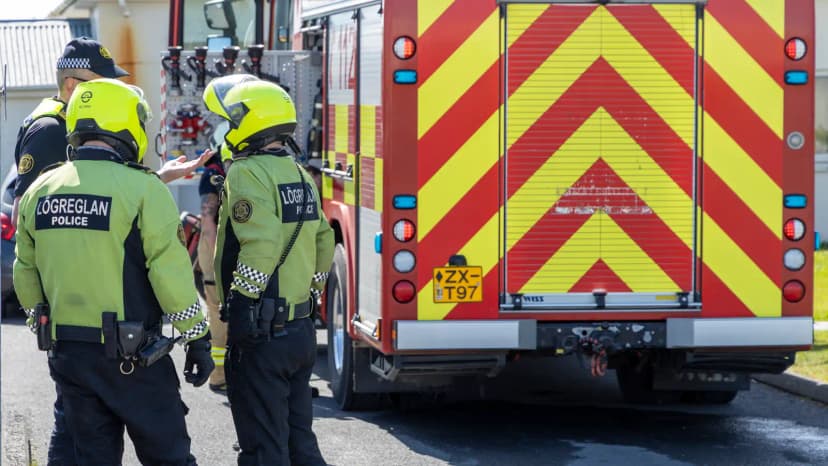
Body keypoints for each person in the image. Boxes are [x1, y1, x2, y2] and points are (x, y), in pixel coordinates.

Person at [10, 36, 209, 464]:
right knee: (169, 456)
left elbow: (26, 271)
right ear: (128, 124)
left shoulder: (40, 189)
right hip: (133, 358)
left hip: (70, 355)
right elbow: (170, 276)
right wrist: (198, 338)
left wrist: (42, 319)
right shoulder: (144, 189)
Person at [204, 74, 334, 465]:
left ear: (248, 122)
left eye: (230, 121)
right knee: (300, 444)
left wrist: (243, 306)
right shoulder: (298, 173)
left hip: (264, 335)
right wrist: (311, 293)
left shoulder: (246, 171)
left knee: (263, 449)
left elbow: (260, 245)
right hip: (299, 332)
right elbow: (324, 242)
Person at [197, 142, 233, 393]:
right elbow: (208, 221)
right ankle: (218, 375)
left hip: (224, 250)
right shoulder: (213, 176)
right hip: (215, 251)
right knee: (218, 315)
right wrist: (216, 259)